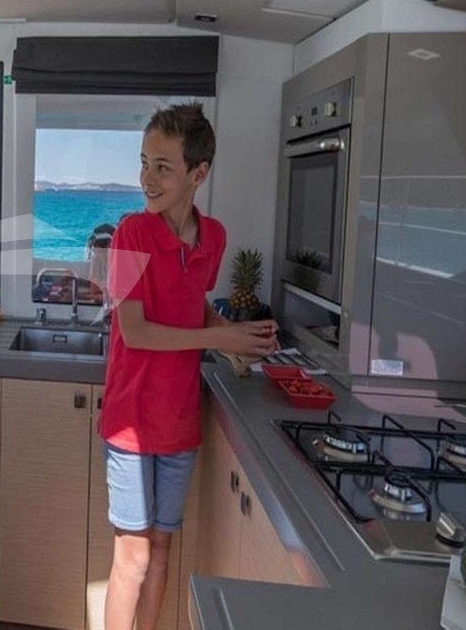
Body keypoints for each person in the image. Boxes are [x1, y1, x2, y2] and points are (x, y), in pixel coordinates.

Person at [101, 103, 278, 630]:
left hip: (179, 421)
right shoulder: (131, 233)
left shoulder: (214, 238)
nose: (147, 178)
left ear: (198, 174)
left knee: (161, 548)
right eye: (144, 163)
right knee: (133, 556)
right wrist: (218, 336)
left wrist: (235, 341)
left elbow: (193, 302)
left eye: (163, 167)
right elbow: (136, 331)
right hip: (131, 419)